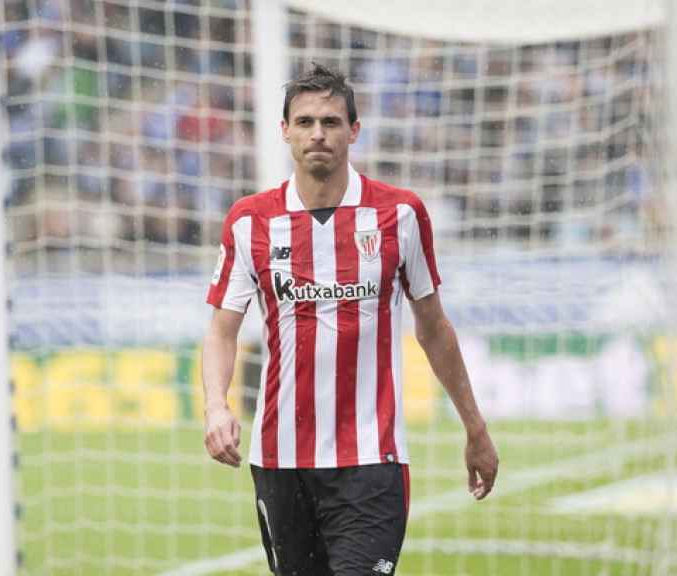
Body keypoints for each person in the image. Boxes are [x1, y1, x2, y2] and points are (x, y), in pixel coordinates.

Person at [202, 63, 498, 576]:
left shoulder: (400, 215)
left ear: (353, 131)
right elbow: (222, 329)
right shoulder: (250, 221)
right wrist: (215, 406)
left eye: (332, 122)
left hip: (371, 461)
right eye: (306, 121)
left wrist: (475, 427)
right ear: (285, 131)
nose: (318, 133)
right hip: (280, 460)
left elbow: (433, 328)